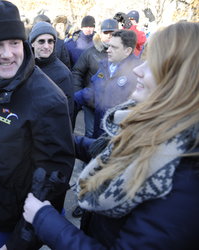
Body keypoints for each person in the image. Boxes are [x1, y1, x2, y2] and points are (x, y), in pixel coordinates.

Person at [23, 21, 199, 249]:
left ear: (182, 81)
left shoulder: (185, 179)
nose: (138, 69)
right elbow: (108, 152)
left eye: (153, 64)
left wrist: (45, 220)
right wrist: (54, 137)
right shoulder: (158, 132)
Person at [0, 1, 75, 249]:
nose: (8, 54)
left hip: (10, 218)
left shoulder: (48, 99)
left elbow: (52, 183)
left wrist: (19, 243)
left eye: (14, 43)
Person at [74, 29, 141, 140]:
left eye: (114, 47)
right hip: (99, 131)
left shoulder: (137, 73)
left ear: (128, 51)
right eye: (109, 46)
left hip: (118, 138)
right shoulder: (105, 66)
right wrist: (70, 100)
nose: (108, 50)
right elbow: (93, 92)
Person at [72, 18, 119, 138]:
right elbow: (77, 72)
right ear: (100, 34)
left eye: (112, 33)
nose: (109, 36)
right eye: (106, 33)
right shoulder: (90, 53)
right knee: (90, 134)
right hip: (91, 103)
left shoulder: (123, 53)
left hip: (113, 105)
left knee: (109, 137)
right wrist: (80, 95)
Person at [28, 21, 74, 120]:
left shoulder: (63, 74)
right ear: (32, 43)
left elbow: (67, 113)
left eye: (50, 41)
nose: (46, 46)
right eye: (41, 41)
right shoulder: (23, 66)